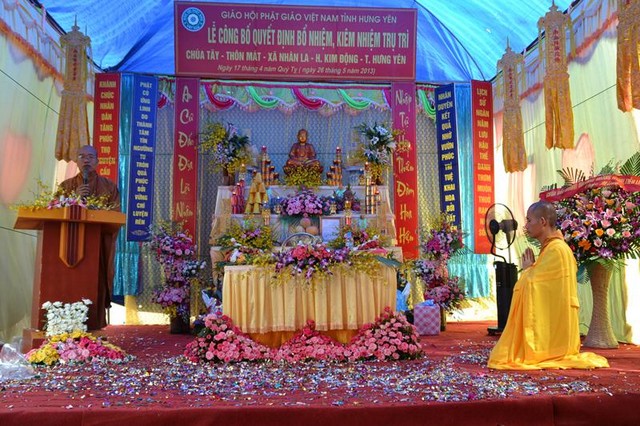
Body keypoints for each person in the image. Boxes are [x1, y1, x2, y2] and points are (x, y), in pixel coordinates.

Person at [488, 200, 609, 370]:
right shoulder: (554, 248)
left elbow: (531, 285)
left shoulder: (555, 250)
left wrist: (527, 269)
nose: (526, 226)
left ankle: (543, 350)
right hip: (561, 328)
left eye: (529, 220)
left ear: (543, 222)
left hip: (557, 334)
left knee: (504, 358)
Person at [57, 145, 120, 329]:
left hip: (97, 244)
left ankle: (95, 322)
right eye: (82, 156)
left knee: (96, 279)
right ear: (76, 161)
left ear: (97, 161)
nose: (86, 160)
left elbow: (116, 214)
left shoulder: (109, 186)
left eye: (90, 157)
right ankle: (64, 320)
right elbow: (54, 209)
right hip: (69, 245)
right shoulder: (66, 186)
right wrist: (74, 198)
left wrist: (95, 211)